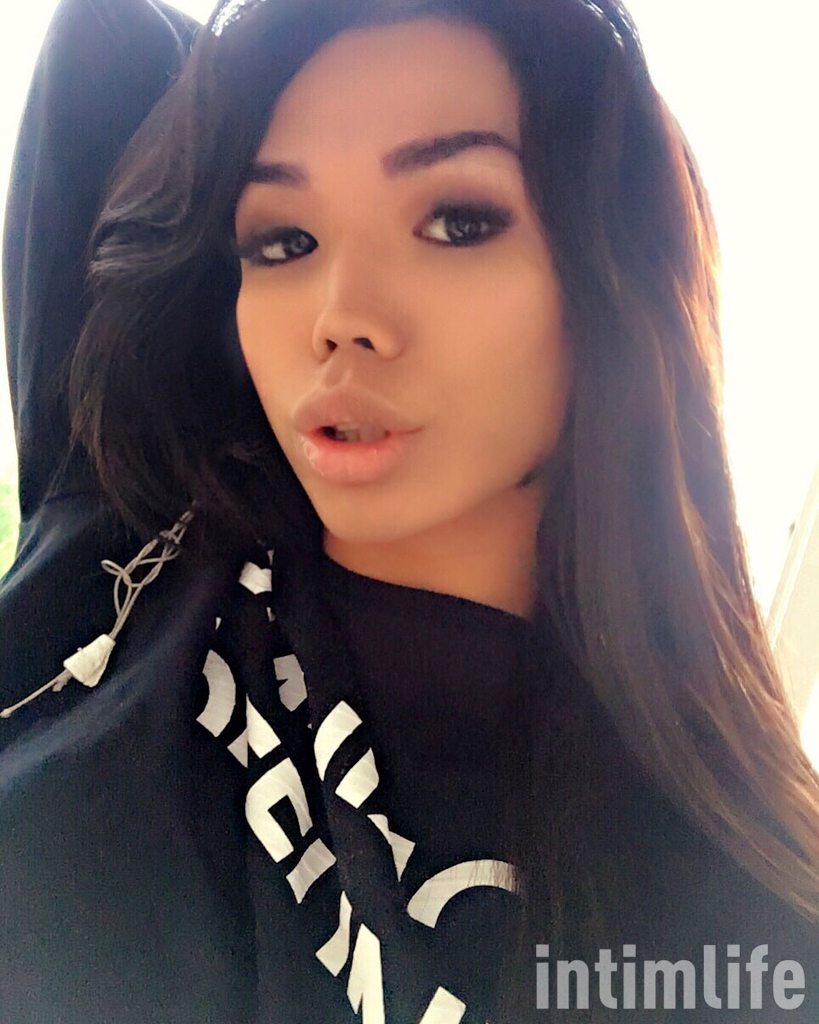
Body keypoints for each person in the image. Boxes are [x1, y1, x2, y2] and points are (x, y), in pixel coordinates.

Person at [0, 0, 816, 1021]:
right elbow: (105, 38)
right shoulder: (135, 510)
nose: (340, 316)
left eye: (457, 222)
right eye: (283, 239)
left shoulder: (734, 931)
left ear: (609, 284)